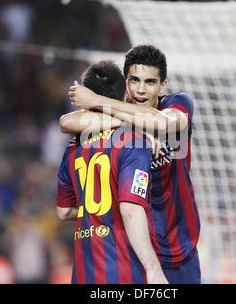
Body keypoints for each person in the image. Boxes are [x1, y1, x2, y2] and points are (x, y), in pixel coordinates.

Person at [60, 45, 201, 284]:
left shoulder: (178, 103)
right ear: (126, 82)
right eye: (134, 80)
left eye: (150, 82)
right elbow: (67, 122)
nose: (140, 90)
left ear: (163, 85)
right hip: (139, 249)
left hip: (181, 246)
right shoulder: (122, 124)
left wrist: (96, 100)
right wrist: (130, 127)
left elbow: (164, 123)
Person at [56, 60, 167, 284]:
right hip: (122, 275)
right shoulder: (133, 142)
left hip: (83, 276)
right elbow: (130, 210)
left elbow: (64, 211)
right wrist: (153, 268)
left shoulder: (72, 149)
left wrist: (93, 212)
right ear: (123, 96)